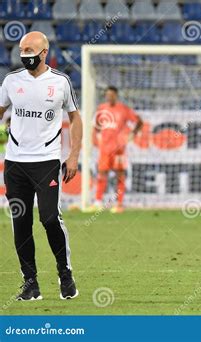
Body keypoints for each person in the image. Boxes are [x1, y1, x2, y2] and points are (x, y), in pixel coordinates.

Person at [0, 31, 83, 300]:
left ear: (44, 52)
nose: (26, 56)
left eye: (31, 52)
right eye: (22, 51)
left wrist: (73, 156)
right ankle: (30, 283)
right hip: (15, 163)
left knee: (49, 218)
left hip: (46, 162)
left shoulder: (60, 82)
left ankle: (65, 273)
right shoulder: (12, 81)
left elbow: (75, 118)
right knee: (20, 222)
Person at [93, 86, 143, 213]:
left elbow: (139, 121)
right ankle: (98, 202)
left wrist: (133, 133)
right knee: (101, 174)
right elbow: (97, 126)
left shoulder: (124, 109)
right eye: (107, 95)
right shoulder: (102, 109)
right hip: (105, 149)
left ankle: (119, 204)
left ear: (116, 95)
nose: (109, 97)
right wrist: (99, 137)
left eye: (112, 95)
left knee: (120, 175)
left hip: (119, 148)